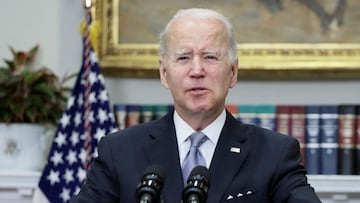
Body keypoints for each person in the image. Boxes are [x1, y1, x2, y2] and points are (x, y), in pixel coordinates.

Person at [70, 8, 321, 203]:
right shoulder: (120, 152)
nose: (197, 70)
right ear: (164, 73)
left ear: (232, 72)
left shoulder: (274, 153)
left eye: (210, 57)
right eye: (183, 57)